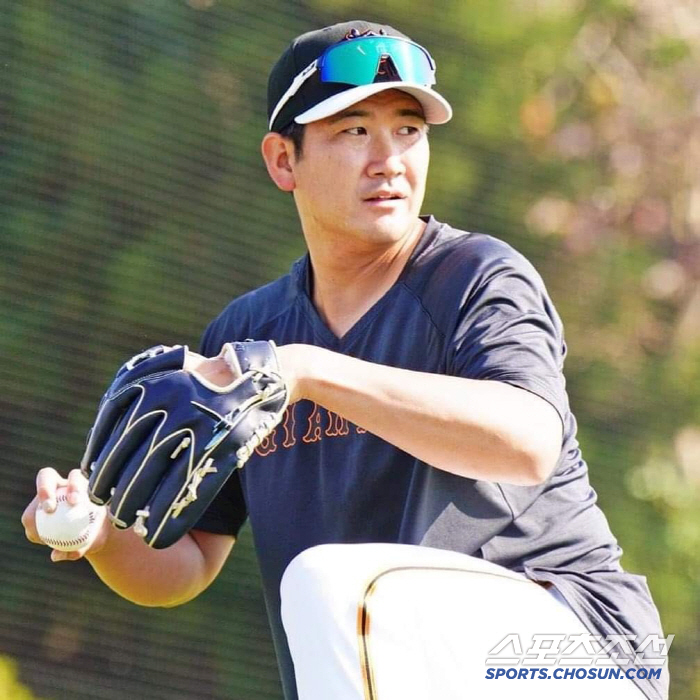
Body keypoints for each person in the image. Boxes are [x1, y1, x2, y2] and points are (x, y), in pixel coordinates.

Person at [22, 19, 668, 700]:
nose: (388, 157)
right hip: (417, 669)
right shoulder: (249, 331)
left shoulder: (476, 277)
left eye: (408, 129)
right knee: (327, 596)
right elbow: (188, 564)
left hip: (578, 652)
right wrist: (98, 536)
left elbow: (530, 442)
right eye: (354, 130)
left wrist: (306, 372)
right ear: (283, 160)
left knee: (326, 584)